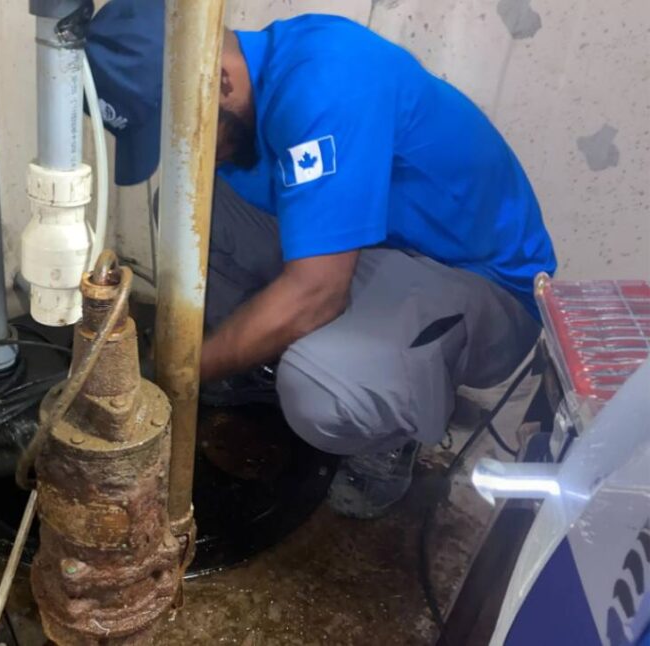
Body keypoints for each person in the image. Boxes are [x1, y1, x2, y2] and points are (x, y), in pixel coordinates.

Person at [84, 1, 556, 518]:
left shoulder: (326, 82)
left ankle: (384, 434)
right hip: (374, 250)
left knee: (317, 385)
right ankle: (254, 365)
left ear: (218, 81)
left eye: (183, 136)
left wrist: (174, 373)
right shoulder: (250, 94)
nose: (185, 153)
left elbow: (319, 292)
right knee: (188, 212)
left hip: (480, 284)